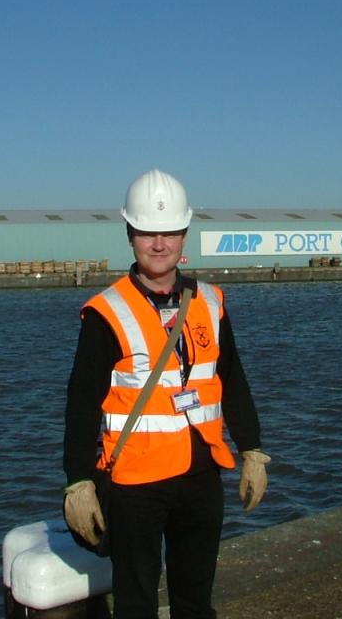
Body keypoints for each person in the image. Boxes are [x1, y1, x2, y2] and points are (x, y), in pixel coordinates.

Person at [62, 168, 269, 619]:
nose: (159, 244)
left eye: (170, 232)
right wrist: (78, 482)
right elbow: (80, 404)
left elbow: (232, 379)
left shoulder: (211, 303)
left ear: (184, 234)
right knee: (135, 603)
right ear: (130, 235)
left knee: (195, 601)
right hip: (135, 483)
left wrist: (252, 449)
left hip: (201, 478)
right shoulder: (106, 313)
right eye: (147, 233)